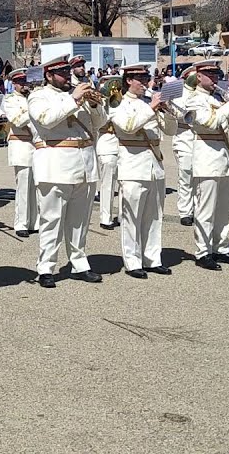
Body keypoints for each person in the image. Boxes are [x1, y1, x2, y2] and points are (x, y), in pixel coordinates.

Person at [28, 54, 106, 288]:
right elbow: (47, 120)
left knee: (80, 221)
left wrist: (94, 105)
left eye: (66, 72)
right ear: (49, 75)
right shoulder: (38, 96)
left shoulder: (77, 94)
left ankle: (79, 264)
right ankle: (46, 267)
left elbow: (100, 124)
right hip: (55, 164)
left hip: (84, 164)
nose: (66, 77)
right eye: (61, 73)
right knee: (51, 220)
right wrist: (74, 99)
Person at [107, 64, 172, 278]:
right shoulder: (117, 102)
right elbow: (128, 127)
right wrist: (152, 107)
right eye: (140, 79)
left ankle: (152, 258)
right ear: (129, 80)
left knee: (154, 216)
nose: (145, 83)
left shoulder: (148, 103)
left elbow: (170, 130)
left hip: (154, 165)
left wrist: (168, 110)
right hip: (133, 166)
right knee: (131, 217)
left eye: (146, 78)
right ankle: (133, 261)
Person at [183, 59, 229, 270]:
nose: (214, 79)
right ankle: (203, 252)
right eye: (209, 75)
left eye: (216, 74)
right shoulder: (194, 100)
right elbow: (210, 123)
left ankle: (221, 248)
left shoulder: (217, 99)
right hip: (206, 158)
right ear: (199, 76)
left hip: (224, 158)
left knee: (222, 210)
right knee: (205, 210)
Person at [2, 68, 38, 237]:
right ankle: (21, 223)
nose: (25, 85)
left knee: (36, 186)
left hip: (36, 145)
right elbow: (17, 120)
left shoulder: (32, 97)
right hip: (21, 145)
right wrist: (33, 108)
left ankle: (34, 222)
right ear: (14, 84)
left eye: (26, 82)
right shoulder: (10, 100)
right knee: (23, 187)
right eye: (21, 82)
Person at [169, 68, 197, 227]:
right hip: (184, 137)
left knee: (199, 176)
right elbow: (179, 114)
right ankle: (185, 211)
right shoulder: (179, 93)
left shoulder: (204, 92)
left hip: (200, 138)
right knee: (186, 175)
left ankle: (196, 208)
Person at [94, 75, 122, 230]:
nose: (113, 89)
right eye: (109, 86)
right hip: (107, 144)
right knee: (108, 184)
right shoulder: (100, 104)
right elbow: (99, 122)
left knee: (125, 183)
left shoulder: (122, 101)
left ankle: (123, 215)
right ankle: (106, 218)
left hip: (123, 145)